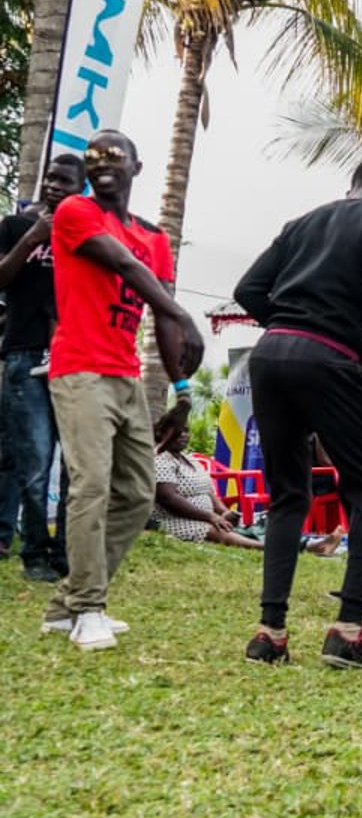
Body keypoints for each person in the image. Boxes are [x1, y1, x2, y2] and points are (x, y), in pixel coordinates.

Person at [233, 158, 362, 668]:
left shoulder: (303, 222)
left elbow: (248, 289)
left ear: (350, 185)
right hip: (330, 359)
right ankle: (348, 630)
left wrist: (291, 325)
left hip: (269, 354)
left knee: (289, 496)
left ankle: (270, 633)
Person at [38, 131, 203, 652]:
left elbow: (160, 310)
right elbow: (126, 268)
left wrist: (180, 389)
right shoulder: (75, 214)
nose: (103, 162)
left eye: (115, 155)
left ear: (137, 165)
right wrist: (180, 312)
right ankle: (88, 607)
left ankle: (66, 606)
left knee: (135, 493)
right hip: (79, 369)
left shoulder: (154, 237)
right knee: (90, 485)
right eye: (94, 156)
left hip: (127, 376)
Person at [0, 153, 83, 582]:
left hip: (74, 358)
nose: (54, 186)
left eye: (65, 182)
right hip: (24, 354)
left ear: (81, 189)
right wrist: (33, 237)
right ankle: (33, 551)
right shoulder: (16, 227)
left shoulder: (86, 234)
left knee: (73, 464)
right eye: (50, 179)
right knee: (33, 461)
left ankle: (65, 551)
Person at [149, 411, 261, 550]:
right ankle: (266, 547)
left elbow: (208, 492)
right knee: (217, 531)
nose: (183, 435)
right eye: (177, 431)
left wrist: (223, 512)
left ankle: (268, 542)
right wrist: (210, 517)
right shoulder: (160, 459)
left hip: (204, 517)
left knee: (235, 527)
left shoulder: (189, 459)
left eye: (186, 431)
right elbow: (167, 498)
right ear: (162, 434)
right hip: (174, 520)